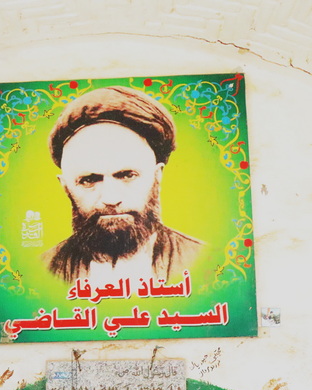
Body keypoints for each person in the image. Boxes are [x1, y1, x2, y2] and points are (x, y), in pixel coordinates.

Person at [45, 86, 203, 285]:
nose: (110, 198)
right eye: (89, 180)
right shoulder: (40, 272)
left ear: (157, 176)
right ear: (65, 186)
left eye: (127, 175)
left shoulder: (204, 263)